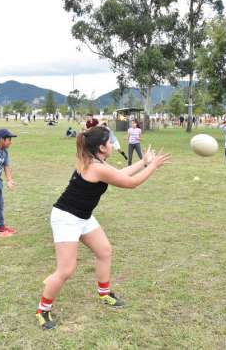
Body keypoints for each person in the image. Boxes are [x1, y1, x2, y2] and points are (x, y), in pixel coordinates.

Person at [35, 126, 170, 329]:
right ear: (101, 147)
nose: (113, 144)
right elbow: (131, 183)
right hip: (66, 218)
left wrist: (143, 162)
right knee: (66, 270)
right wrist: (153, 166)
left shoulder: (97, 162)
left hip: (83, 216)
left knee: (104, 251)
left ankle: (105, 294)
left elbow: (120, 173)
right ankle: (42, 310)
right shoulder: (97, 167)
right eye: (110, 142)